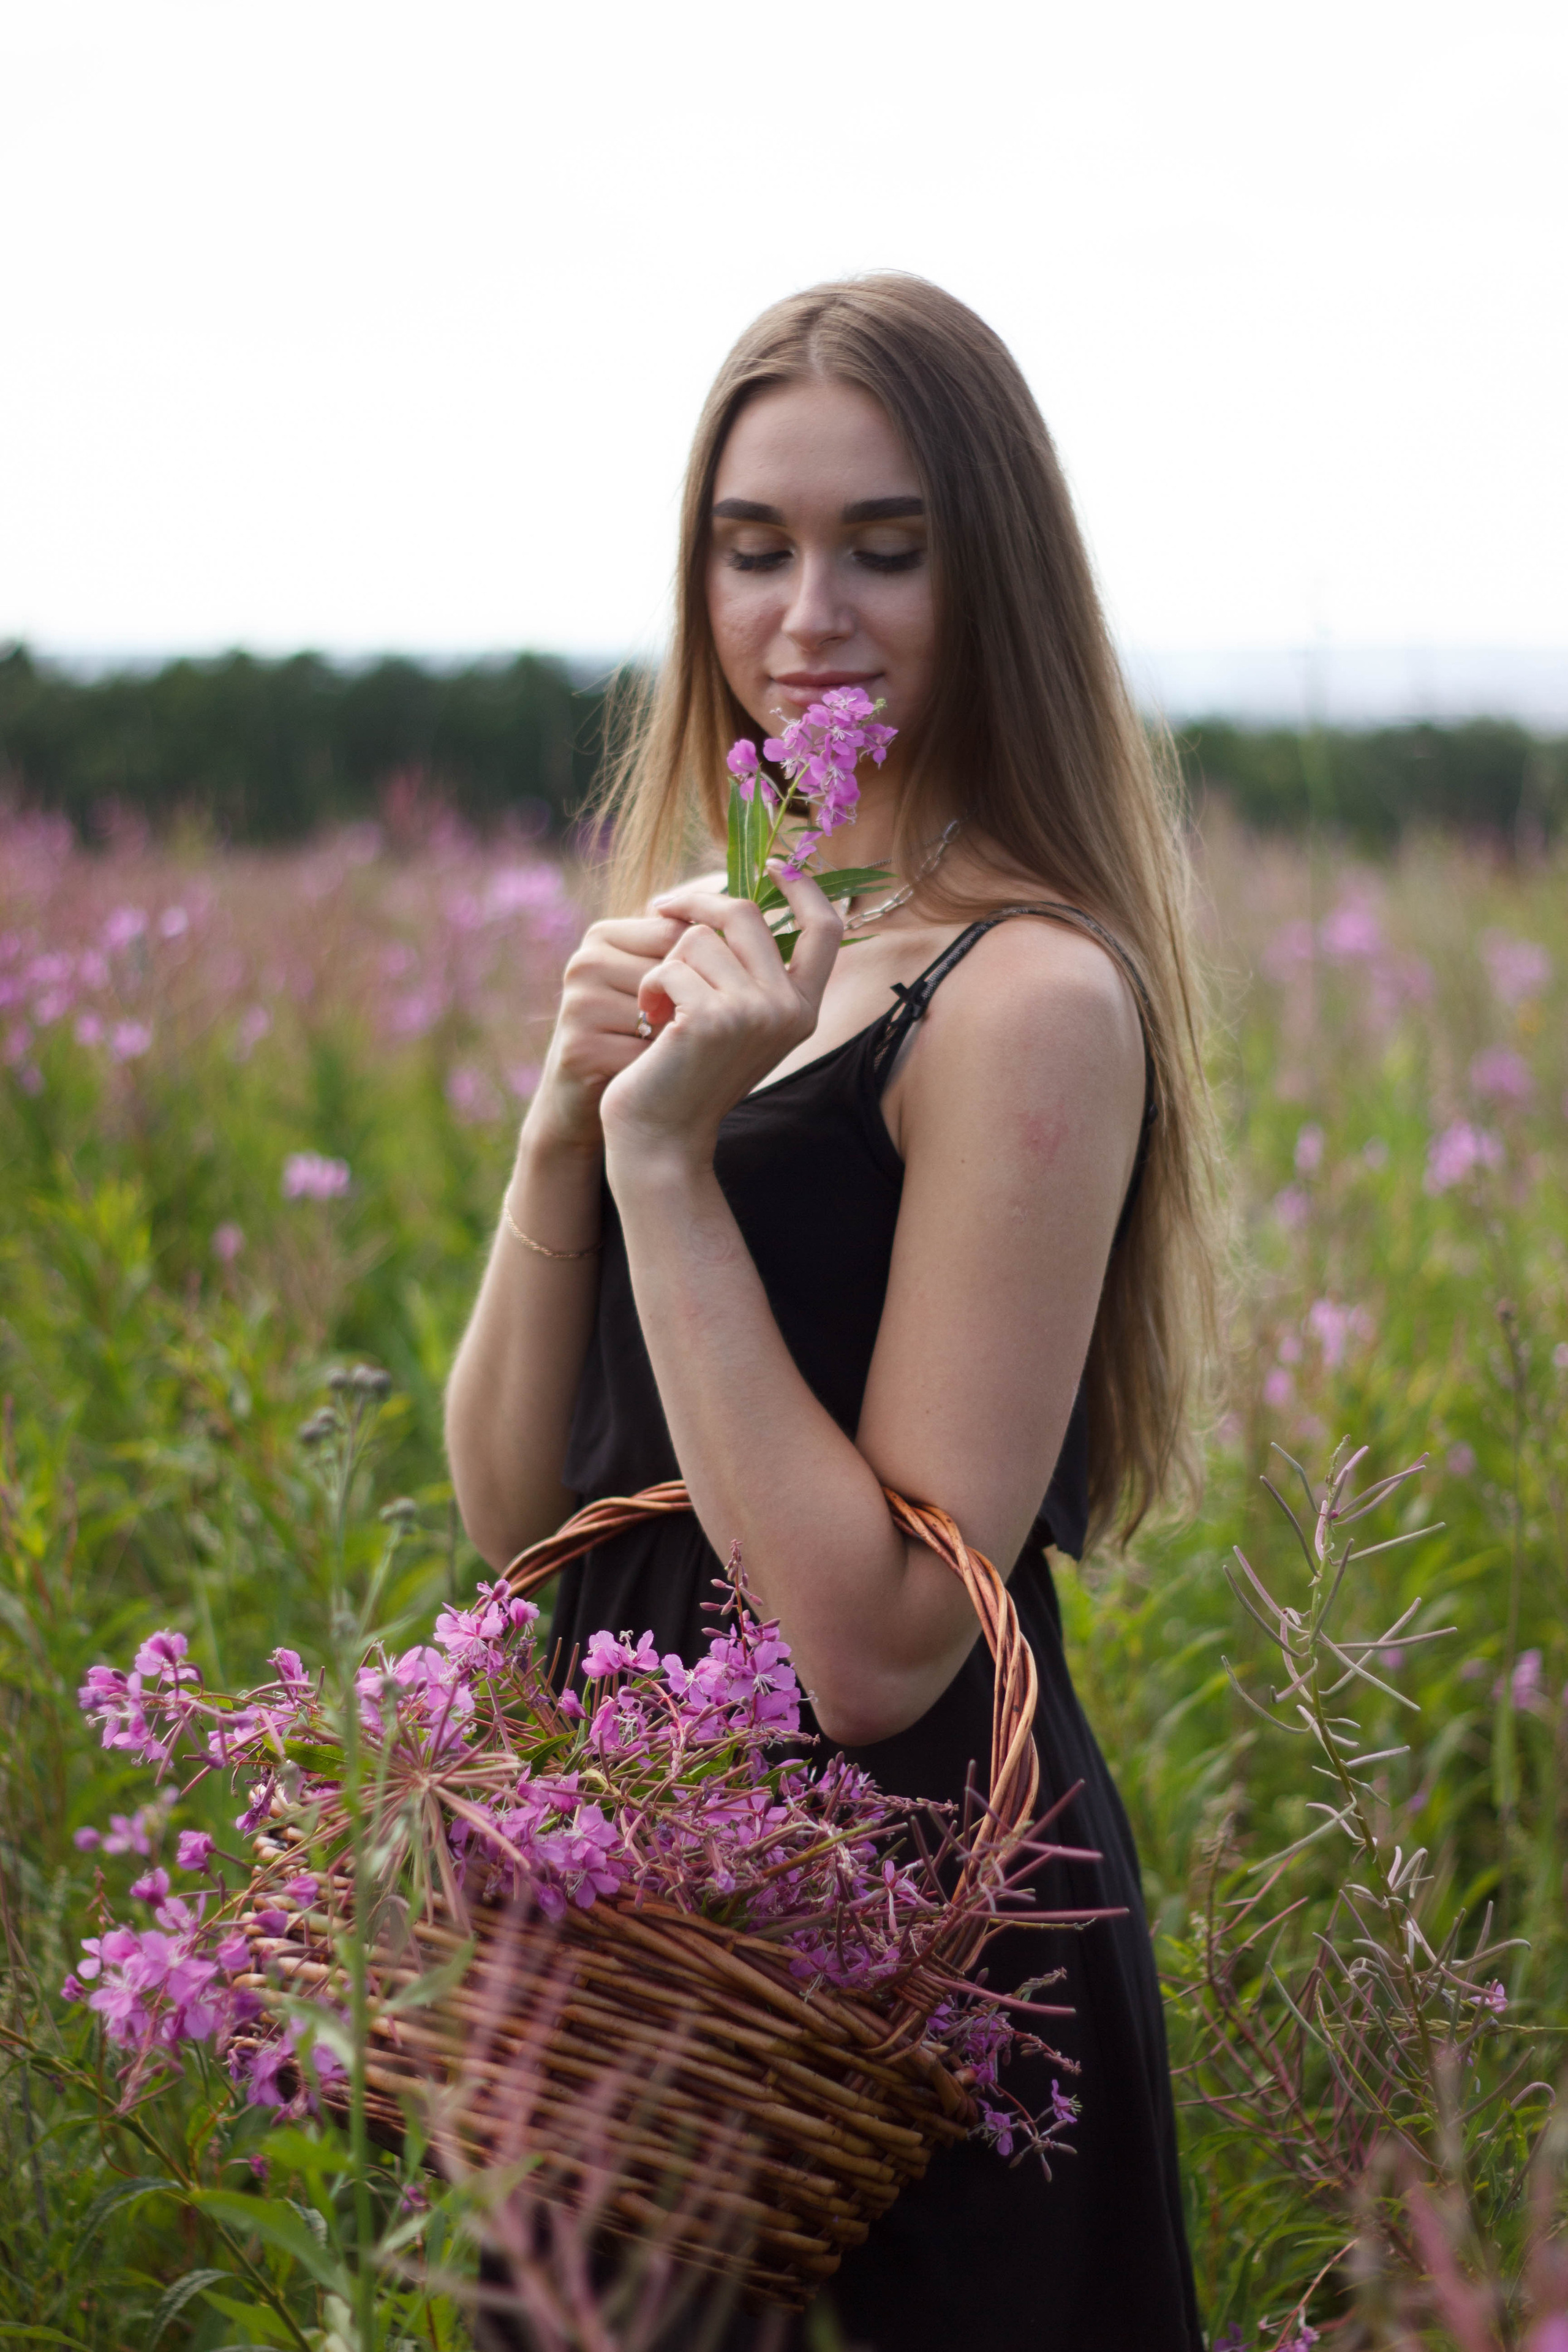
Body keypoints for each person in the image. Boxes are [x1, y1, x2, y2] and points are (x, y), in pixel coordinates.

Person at [446, 273, 1219, 2351]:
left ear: (999, 580)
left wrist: (672, 1170)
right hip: (644, 1944)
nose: (811, 616)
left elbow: (880, 1653)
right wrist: (564, 1137)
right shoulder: (734, 953)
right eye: (754, 546)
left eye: (888, 548)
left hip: (903, 1966)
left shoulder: (1029, 996)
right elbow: (528, 1527)